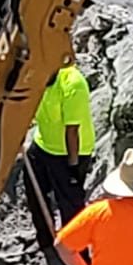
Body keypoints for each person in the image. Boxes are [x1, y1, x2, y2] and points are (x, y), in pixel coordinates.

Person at [27, 60, 95, 228]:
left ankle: (77, 250)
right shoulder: (35, 77)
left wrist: (73, 168)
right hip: (43, 144)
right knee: (35, 192)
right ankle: (47, 241)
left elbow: (72, 130)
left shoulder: (73, 84)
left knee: (70, 204)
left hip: (71, 151)